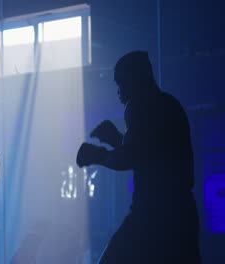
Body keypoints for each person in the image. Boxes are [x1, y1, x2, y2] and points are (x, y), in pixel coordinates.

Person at [77, 51, 201, 263]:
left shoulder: (140, 104)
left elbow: (132, 156)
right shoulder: (166, 104)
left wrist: (97, 155)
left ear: (135, 79)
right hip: (179, 214)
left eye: (121, 82)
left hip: (154, 215)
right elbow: (150, 154)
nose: (118, 90)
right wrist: (117, 140)